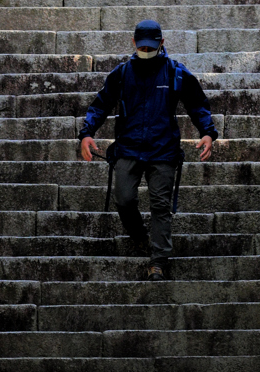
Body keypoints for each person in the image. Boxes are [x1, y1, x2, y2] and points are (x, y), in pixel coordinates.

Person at [79, 20, 218, 281]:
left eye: (150, 46)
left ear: (161, 44)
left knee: (160, 205)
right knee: (124, 199)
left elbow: (197, 104)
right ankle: (140, 237)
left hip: (163, 150)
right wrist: (86, 133)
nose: (145, 50)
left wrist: (208, 132)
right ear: (133, 43)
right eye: (141, 46)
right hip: (128, 148)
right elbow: (100, 105)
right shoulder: (121, 73)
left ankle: (159, 260)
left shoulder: (176, 72)